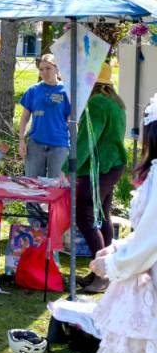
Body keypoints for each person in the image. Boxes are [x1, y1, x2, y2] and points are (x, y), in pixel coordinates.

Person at [86, 93, 157, 353]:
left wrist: (112, 263)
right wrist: (115, 250)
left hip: (148, 293)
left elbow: (150, 242)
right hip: (140, 287)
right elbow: (145, 235)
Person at [72, 63, 128, 294]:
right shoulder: (116, 102)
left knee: (86, 217)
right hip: (112, 165)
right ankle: (104, 271)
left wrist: (70, 166)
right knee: (102, 217)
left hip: (100, 168)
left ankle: (102, 275)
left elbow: (87, 139)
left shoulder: (97, 102)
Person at [17, 53, 71, 223]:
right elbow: (24, 118)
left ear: (57, 69)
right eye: (41, 69)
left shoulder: (66, 91)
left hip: (59, 146)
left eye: (48, 68)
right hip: (36, 145)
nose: (45, 72)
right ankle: (35, 225)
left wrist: (75, 146)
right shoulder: (33, 91)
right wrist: (21, 140)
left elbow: (72, 121)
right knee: (32, 186)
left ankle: (54, 224)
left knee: (57, 188)